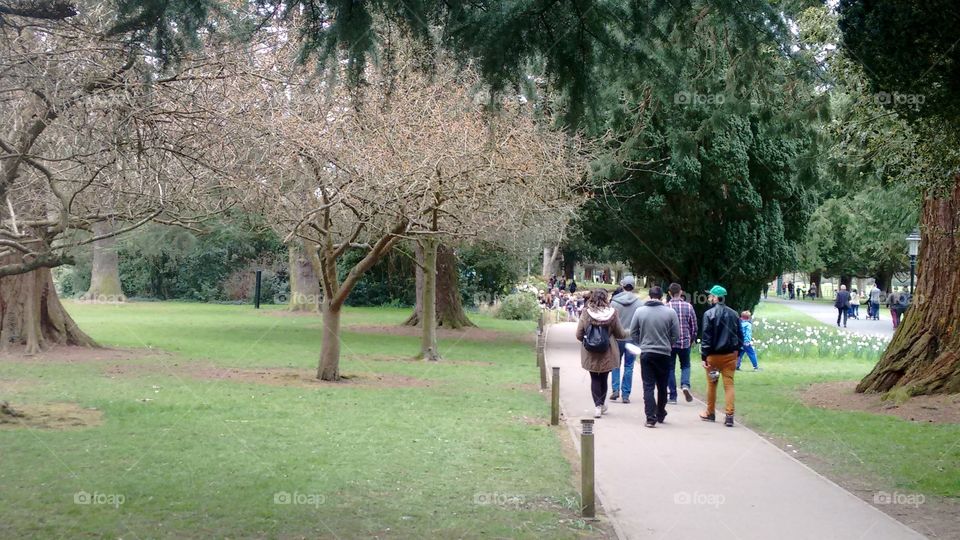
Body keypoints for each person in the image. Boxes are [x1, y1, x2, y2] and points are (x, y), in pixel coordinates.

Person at [629, 286, 680, 428]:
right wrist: (668, 343)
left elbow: (633, 332)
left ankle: (650, 418)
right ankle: (661, 413)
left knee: (648, 386)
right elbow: (676, 334)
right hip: (664, 353)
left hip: (647, 353)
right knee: (662, 386)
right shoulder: (670, 313)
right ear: (662, 296)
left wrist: (642, 343)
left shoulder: (640, 311)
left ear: (650, 296)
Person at [576, 289, 627, 418]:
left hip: (590, 352)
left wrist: (588, 340)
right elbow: (620, 334)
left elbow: (579, 334)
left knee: (594, 378)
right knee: (603, 378)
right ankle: (601, 404)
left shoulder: (586, 313)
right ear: (606, 299)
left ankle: (597, 406)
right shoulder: (613, 313)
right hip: (607, 350)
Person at [699, 284, 743, 427]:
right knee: (729, 385)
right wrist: (738, 353)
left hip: (713, 357)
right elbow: (740, 336)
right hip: (730, 356)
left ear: (717, 298)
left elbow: (706, 337)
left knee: (712, 384)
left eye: (711, 295)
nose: (709, 298)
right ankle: (729, 415)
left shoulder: (709, 314)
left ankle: (710, 412)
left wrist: (704, 357)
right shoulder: (734, 314)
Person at [609, 276, 641, 403]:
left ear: (623, 286)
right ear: (633, 287)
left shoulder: (614, 302)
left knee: (615, 365)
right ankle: (626, 394)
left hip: (617, 338)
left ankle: (615, 389)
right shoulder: (639, 304)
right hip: (632, 339)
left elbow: (610, 321)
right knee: (629, 366)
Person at [666, 283, 697, 404]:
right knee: (685, 365)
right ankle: (685, 385)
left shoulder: (666, 307)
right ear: (681, 292)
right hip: (685, 342)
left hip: (670, 343)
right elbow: (694, 327)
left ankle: (673, 396)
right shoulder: (688, 307)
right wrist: (691, 339)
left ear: (669, 293)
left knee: (670, 368)